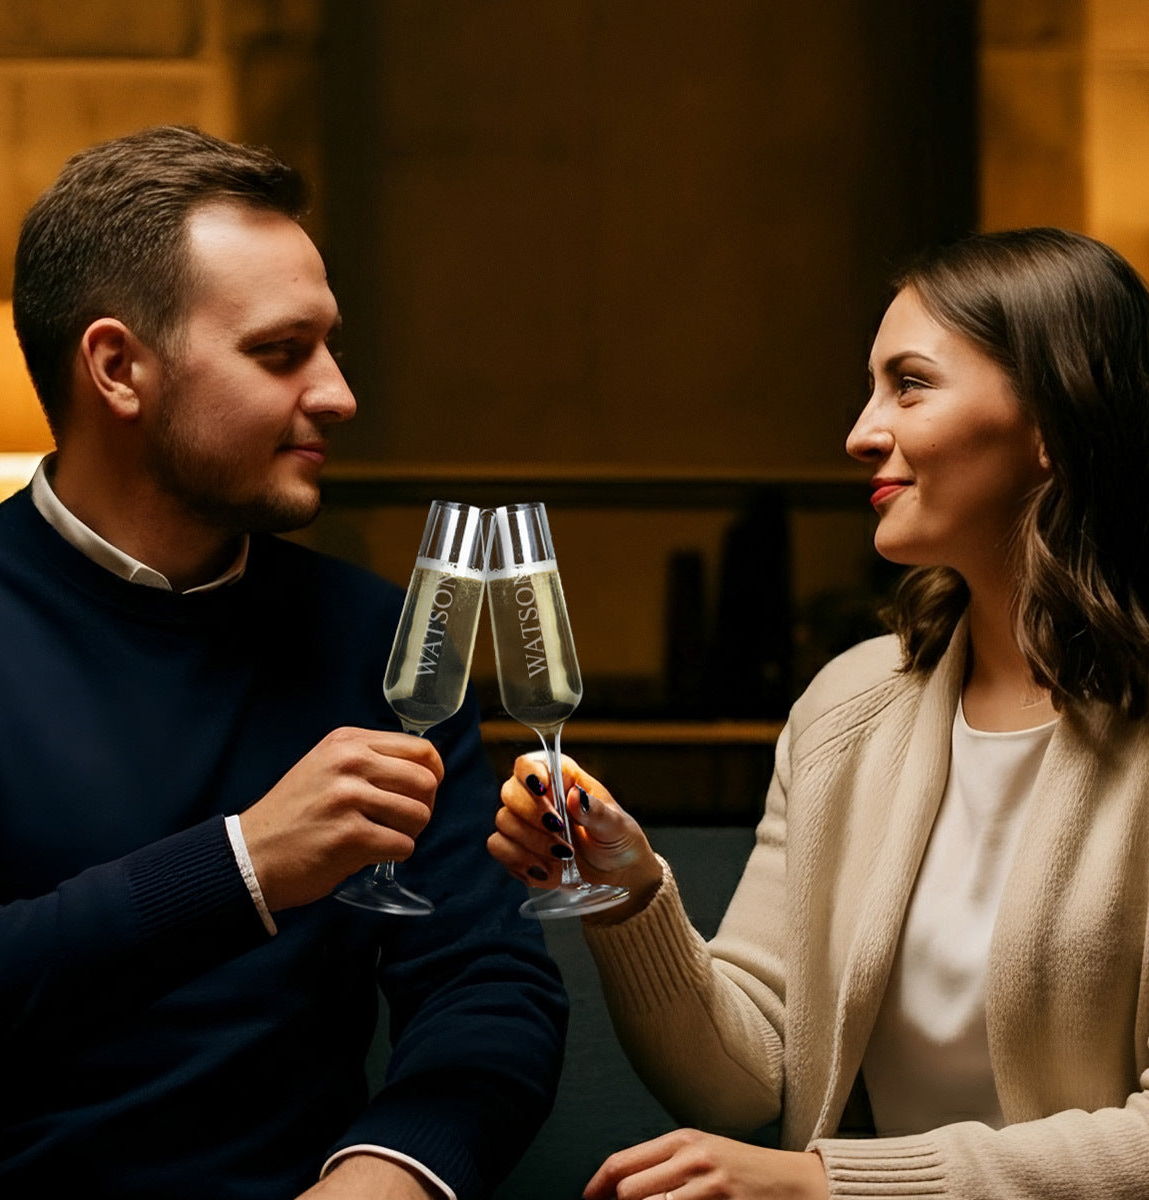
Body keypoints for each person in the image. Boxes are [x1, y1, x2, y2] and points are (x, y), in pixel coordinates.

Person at [0, 125, 567, 1199]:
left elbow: (486, 981)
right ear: (117, 367)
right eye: (282, 353)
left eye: (329, 346)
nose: (338, 394)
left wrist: (394, 1172)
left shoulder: (380, 639)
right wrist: (238, 871)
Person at [489, 227, 1149, 1198]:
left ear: (1054, 418)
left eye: (910, 384)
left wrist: (831, 1185)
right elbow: (749, 1076)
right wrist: (629, 895)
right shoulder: (850, 705)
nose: (860, 431)